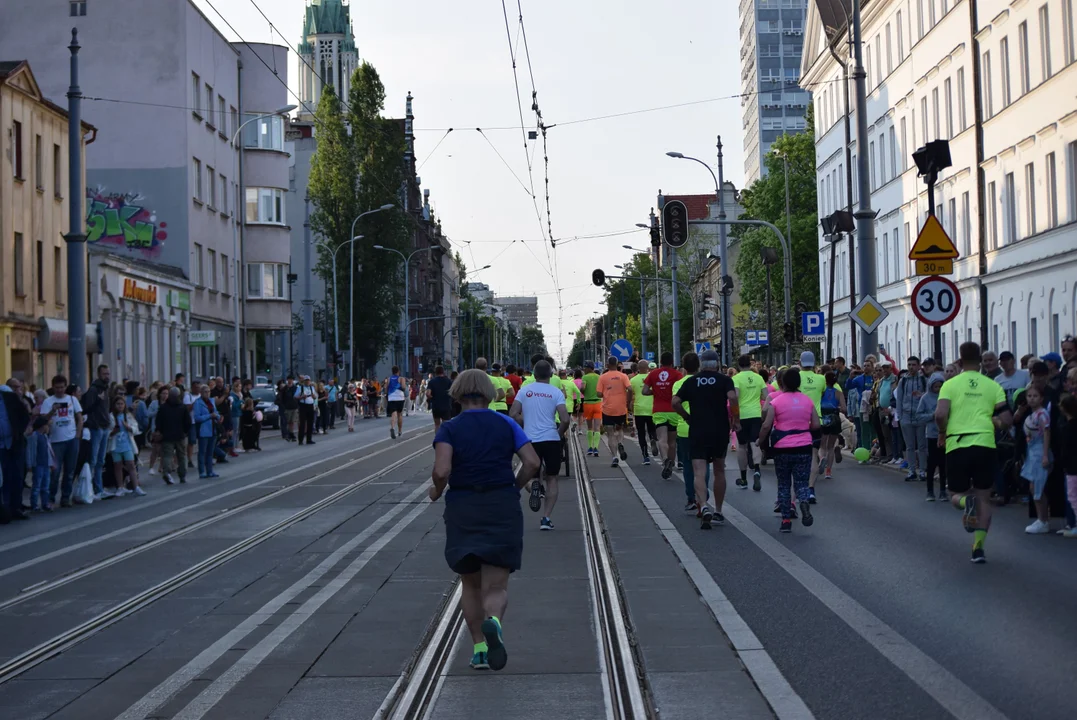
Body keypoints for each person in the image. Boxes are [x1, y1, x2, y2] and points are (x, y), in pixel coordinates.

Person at [428, 369, 541, 672]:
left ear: (458, 393)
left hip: (464, 505)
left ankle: (479, 648)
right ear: (489, 394)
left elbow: (441, 472)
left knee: (470, 582)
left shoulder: (449, 429)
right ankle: (494, 622)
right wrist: (515, 486)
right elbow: (532, 462)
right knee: (496, 585)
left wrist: (436, 491)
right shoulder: (505, 423)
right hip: (500, 505)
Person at [935, 342, 1012, 564]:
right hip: (985, 444)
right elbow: (1007, 420)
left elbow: (940, 415)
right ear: (980, 361)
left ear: (959, 361)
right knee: (984, 498)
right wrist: (991, 421)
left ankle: (964, 502)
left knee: (955, 495)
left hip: (958, 444)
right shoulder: (992, 386)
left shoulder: (950, 384)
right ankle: (978, 548)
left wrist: (942, 432)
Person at [673, 349, 739, 529]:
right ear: (717, 364)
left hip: (698, 430)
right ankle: (718, 510)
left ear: (702, 365)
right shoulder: (725, 380)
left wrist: (687, 416)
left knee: (699, 471)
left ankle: (703, 506)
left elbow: (674, 402)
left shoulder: (692, 381)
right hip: (719, 430)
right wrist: (736, 419)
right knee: (719, 470)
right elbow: (732, 398)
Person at [510, 360, 570, 530]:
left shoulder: (525, 391)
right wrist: (558, 434)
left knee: (530, 474)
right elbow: (565, 419)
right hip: (551, 438)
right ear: (551, 375)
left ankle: (534, 486)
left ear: (534, 375)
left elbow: (513, 413)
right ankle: (546, 518)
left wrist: (526, 422)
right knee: (552, 478)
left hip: (530, 440)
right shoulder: (556, 392)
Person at [759, 367, 819, 533]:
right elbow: (816, 424)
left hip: (782, 448)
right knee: (801, 482)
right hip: (804, 446)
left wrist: (760, 441)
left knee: (784, 484)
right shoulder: (807, 400)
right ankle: (804, 501)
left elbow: (766, 425)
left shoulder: (776, 402)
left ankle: (786, 520)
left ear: (782, 383)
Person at [673, 353, 711, 516]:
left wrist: (686, 417)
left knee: (688, 464)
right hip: (703, 427)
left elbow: (675, 403)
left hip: (684, 428)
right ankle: (703, 495)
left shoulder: (678, 384)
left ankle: (691, 498)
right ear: (699, 365)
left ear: (683, 366)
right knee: (704, 463)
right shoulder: (705, 381)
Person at [40, 374, 84, 507]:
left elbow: (79, 418)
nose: (59, 390)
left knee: (70, 471)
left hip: (71, 439)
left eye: (62, 387)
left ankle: (65, 497)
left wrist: (77, 434)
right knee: (55, 472)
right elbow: (43, 420)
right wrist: (52, 411)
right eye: (57, 387)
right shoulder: (48, 402)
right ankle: (51, 498)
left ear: (65, 387)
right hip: (55, 441)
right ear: (53, 387)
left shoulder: (72, 399)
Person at [644, 352, 683, 479]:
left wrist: (654, 391)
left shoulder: (653, 374)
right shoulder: (677, 375)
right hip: (673, 410)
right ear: (672, 362)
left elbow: (644, 391)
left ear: (660, 361)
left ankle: (665, 459)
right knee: (672, 442)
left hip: (658, 410)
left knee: (662, 439)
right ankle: (671, 465)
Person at [732, 355, 768, 491]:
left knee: (742, 446)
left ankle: (743, 478)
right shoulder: (758, 378)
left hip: (742, 415)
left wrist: (734, 417)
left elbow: (734, 397)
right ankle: (757, 470)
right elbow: (766, 396)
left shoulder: (736, 379)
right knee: (755, 443)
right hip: (756, 414)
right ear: (750, 364)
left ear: (739, 365)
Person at [1020, 385, 1054, 534]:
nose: (1032, 399)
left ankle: (1043, 520)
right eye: (1029, 396)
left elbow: (1047, 433)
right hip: (1032, 452)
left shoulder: (1042, 414)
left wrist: (1045, 455)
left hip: (1040, 452)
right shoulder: (1031, 414)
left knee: (1037, 487)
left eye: (1035, 396)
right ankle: (1041, 518)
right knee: (1033, 487)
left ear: (1041, 398)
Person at [82, 364, 113, 498]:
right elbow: (87, 408)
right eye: (104, 374)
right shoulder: (94, 390)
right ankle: (91, 489)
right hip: (97, 428)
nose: (107, 376)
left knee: (101, 460)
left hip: (105, 427)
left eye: (108, 373)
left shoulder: (106, 389)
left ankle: (99, 489)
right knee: (93, 460)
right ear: (99, 375)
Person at [896, 356, 928, 481]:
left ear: (919, 366)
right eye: (909, 364)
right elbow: (899, 399)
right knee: (909, 446)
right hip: (906, 416)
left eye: (914, 364)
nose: (911, 367)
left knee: (922, 445)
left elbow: (929, 396)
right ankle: (911, 470)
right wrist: (900, 416)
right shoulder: (903, 381)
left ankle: (923, 470)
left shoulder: (924, 380)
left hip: (920, 417)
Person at [596, 357, 632, 467]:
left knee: (610, 434)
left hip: (608, 409)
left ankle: (614, 457)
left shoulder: (603, 377)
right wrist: (628, 400)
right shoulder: (623, 376)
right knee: (620, 429)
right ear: (617, 364)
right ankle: (620, 442)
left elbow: (598, 394)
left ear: (607, 365)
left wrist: (606, 393)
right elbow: (630, 389)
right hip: (621, 408)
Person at [916, 373, 946, 501]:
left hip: (946, 433)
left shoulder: (946, 397)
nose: (938, 389)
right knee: (932, 463)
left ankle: (943, 491)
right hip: (932, 434)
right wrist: (932, 415)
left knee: (944, 464)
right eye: (936, 387)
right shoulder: (925, 398)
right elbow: (919, 415)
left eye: (940, 386)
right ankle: (930, 490)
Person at [108, 395, 144, 496]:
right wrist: (114, 431)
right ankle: (120, 487)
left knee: (131, 464)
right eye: (118, 404)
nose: (120, 406)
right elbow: (108, 432)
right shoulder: (111, 416)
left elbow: (135, 428)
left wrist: (129, 427)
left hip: (127, 443)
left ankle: (136, 486)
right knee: (117, 465)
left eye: (122, 404)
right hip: (116, 444)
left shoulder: (128, 415)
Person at [156, 387, 190, 485]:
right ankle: (182, 475)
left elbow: (159, 422)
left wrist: (160, 431)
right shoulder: (182, 407)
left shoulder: (163, 407)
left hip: (167, 435)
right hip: (180, 435)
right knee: (182, 456)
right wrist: (185, 432)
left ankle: (167, 472)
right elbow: (187, 422)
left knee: (167, 455)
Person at [818, 370, 846, 480]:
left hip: (823, 418)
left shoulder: (821, 392)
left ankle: (821, 459)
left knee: (822, 445)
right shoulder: (838, 392)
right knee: (831, 446)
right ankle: (828, 471)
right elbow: (844, 408)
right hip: (834, 418)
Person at [629, 360, 659, 465]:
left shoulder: (633, 380)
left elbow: (630, 394)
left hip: (639, 410)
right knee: (652, 430)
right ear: (647, 368)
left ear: (638, 368)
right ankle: (653, 439)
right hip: (651, 409)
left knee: (641, 433)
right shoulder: (653, 378)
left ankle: (646, 456)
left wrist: (628, 405)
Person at [193, 386, 221, 478]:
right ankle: (201, 471)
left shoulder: (211, 401)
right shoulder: (198, 403)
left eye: (209, 392)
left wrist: (218, 417)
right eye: (205, 392)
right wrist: (209, 416)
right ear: (201, 392)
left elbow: (216, 412)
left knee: (210, 452)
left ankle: (210, 471)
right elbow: (197, 418)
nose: (207, 393)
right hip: (204, 430)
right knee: (202, 451)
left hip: (213, 429)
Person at [580, 362, 603, 456]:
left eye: (585, 368)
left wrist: (584, 392)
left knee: (590, 427)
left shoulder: (585, 377)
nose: (584, 370)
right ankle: (596, 448)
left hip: (588, 403)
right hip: (598, 403)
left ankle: (590, 447)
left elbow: (582, 388)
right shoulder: (599, 377)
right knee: (597, 427)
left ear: (589, 368)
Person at [427, 366, 453, 432]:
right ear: (443, 372)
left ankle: (437, 439)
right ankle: (445, 439)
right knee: (446, 425)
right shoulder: (448, 381)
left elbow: (428, 394)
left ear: (435, 373)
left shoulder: (432, 382)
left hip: (436, 406)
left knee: (437, 425)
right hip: (446, 405)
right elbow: (453, 392)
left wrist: (432, 397)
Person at [386, 366, 407, 439]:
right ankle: (400, 431)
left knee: (393, 414)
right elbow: (404, 387)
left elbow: (386, 389)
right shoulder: (401, 378)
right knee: (399, 415)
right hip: (400, 398)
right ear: (398, 371)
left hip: (391, 398)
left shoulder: (388, 379)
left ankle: (392, 427)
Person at [295, 376, 317, 445]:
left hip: (310, 405)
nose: (307, 382)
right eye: (306, 380)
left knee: (310, 423)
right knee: (302, 423)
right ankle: (300, 440)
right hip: (303, 406)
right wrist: (301, 397)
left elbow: (315, 397)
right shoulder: (300, 388)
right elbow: (295, 397)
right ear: (304, 381)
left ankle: (309, 439)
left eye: (308, 380)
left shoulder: (312, 388)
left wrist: (314, 397)